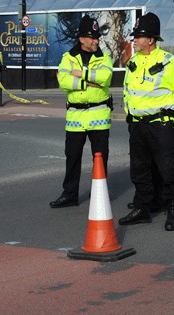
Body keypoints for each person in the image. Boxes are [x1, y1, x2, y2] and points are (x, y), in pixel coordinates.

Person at [118, 12, 174, 231]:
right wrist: (130, 116)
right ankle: (143, 207)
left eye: (139, 36)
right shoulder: (133, 62)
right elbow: (128, 91)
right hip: (137, 125)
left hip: (160, 125)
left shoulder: (169, 62)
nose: (135, 39)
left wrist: (171, 119)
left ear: (150, 39)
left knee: (167, 169)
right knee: (139, 169)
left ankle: (172, 209)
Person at [50, 15, 113, 208]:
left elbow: (105, 78)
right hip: (76, 117)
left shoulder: (105, 57)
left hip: (98, 116)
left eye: (97, 37)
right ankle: (70, 194)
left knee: (100, 158)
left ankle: (99, 194)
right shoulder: (68, 57)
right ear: (81, 39)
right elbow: (63, 81)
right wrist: (89, 80)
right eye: (91, 37)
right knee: (72, 157)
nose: (96, 41)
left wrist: (80, 74)